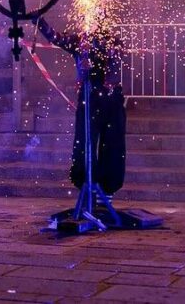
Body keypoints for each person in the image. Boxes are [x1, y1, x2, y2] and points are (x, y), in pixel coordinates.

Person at [35, 15, 127, 196]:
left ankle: (107, 190)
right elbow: (57, 38)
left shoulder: (113, 42)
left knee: (113, 144)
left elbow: (114, 67)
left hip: (111, 100)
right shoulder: (79, 41)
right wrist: (41, 23)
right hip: (89, 98)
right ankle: (87, 185)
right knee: (85, 141)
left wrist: (95, 52)